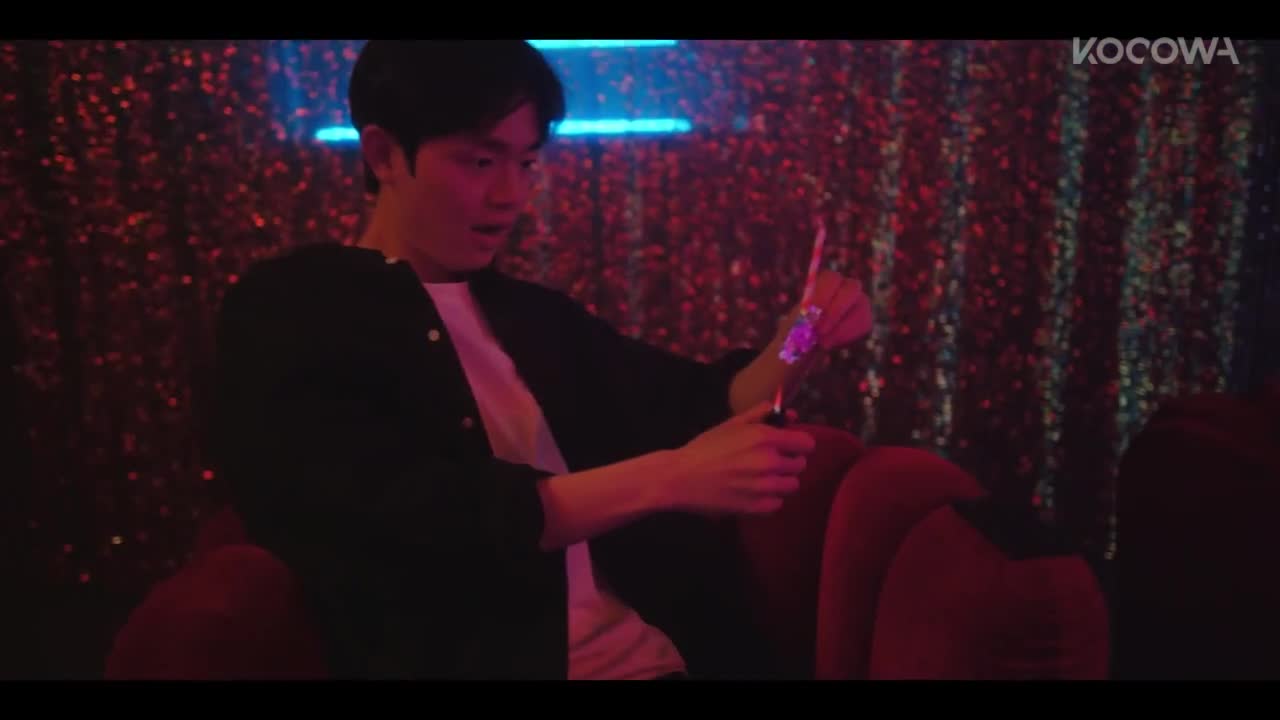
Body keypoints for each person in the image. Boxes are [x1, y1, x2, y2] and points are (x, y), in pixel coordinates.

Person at [209, 40, 873, 680]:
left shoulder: (530, 316)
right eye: (480, 162)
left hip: (664, 658)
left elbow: (707, 405)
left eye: (526, 163)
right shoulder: (295, 312)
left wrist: (803, 337)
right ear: (384, 153)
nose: (510, 195)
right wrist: (670, 477)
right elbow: (428, 517)